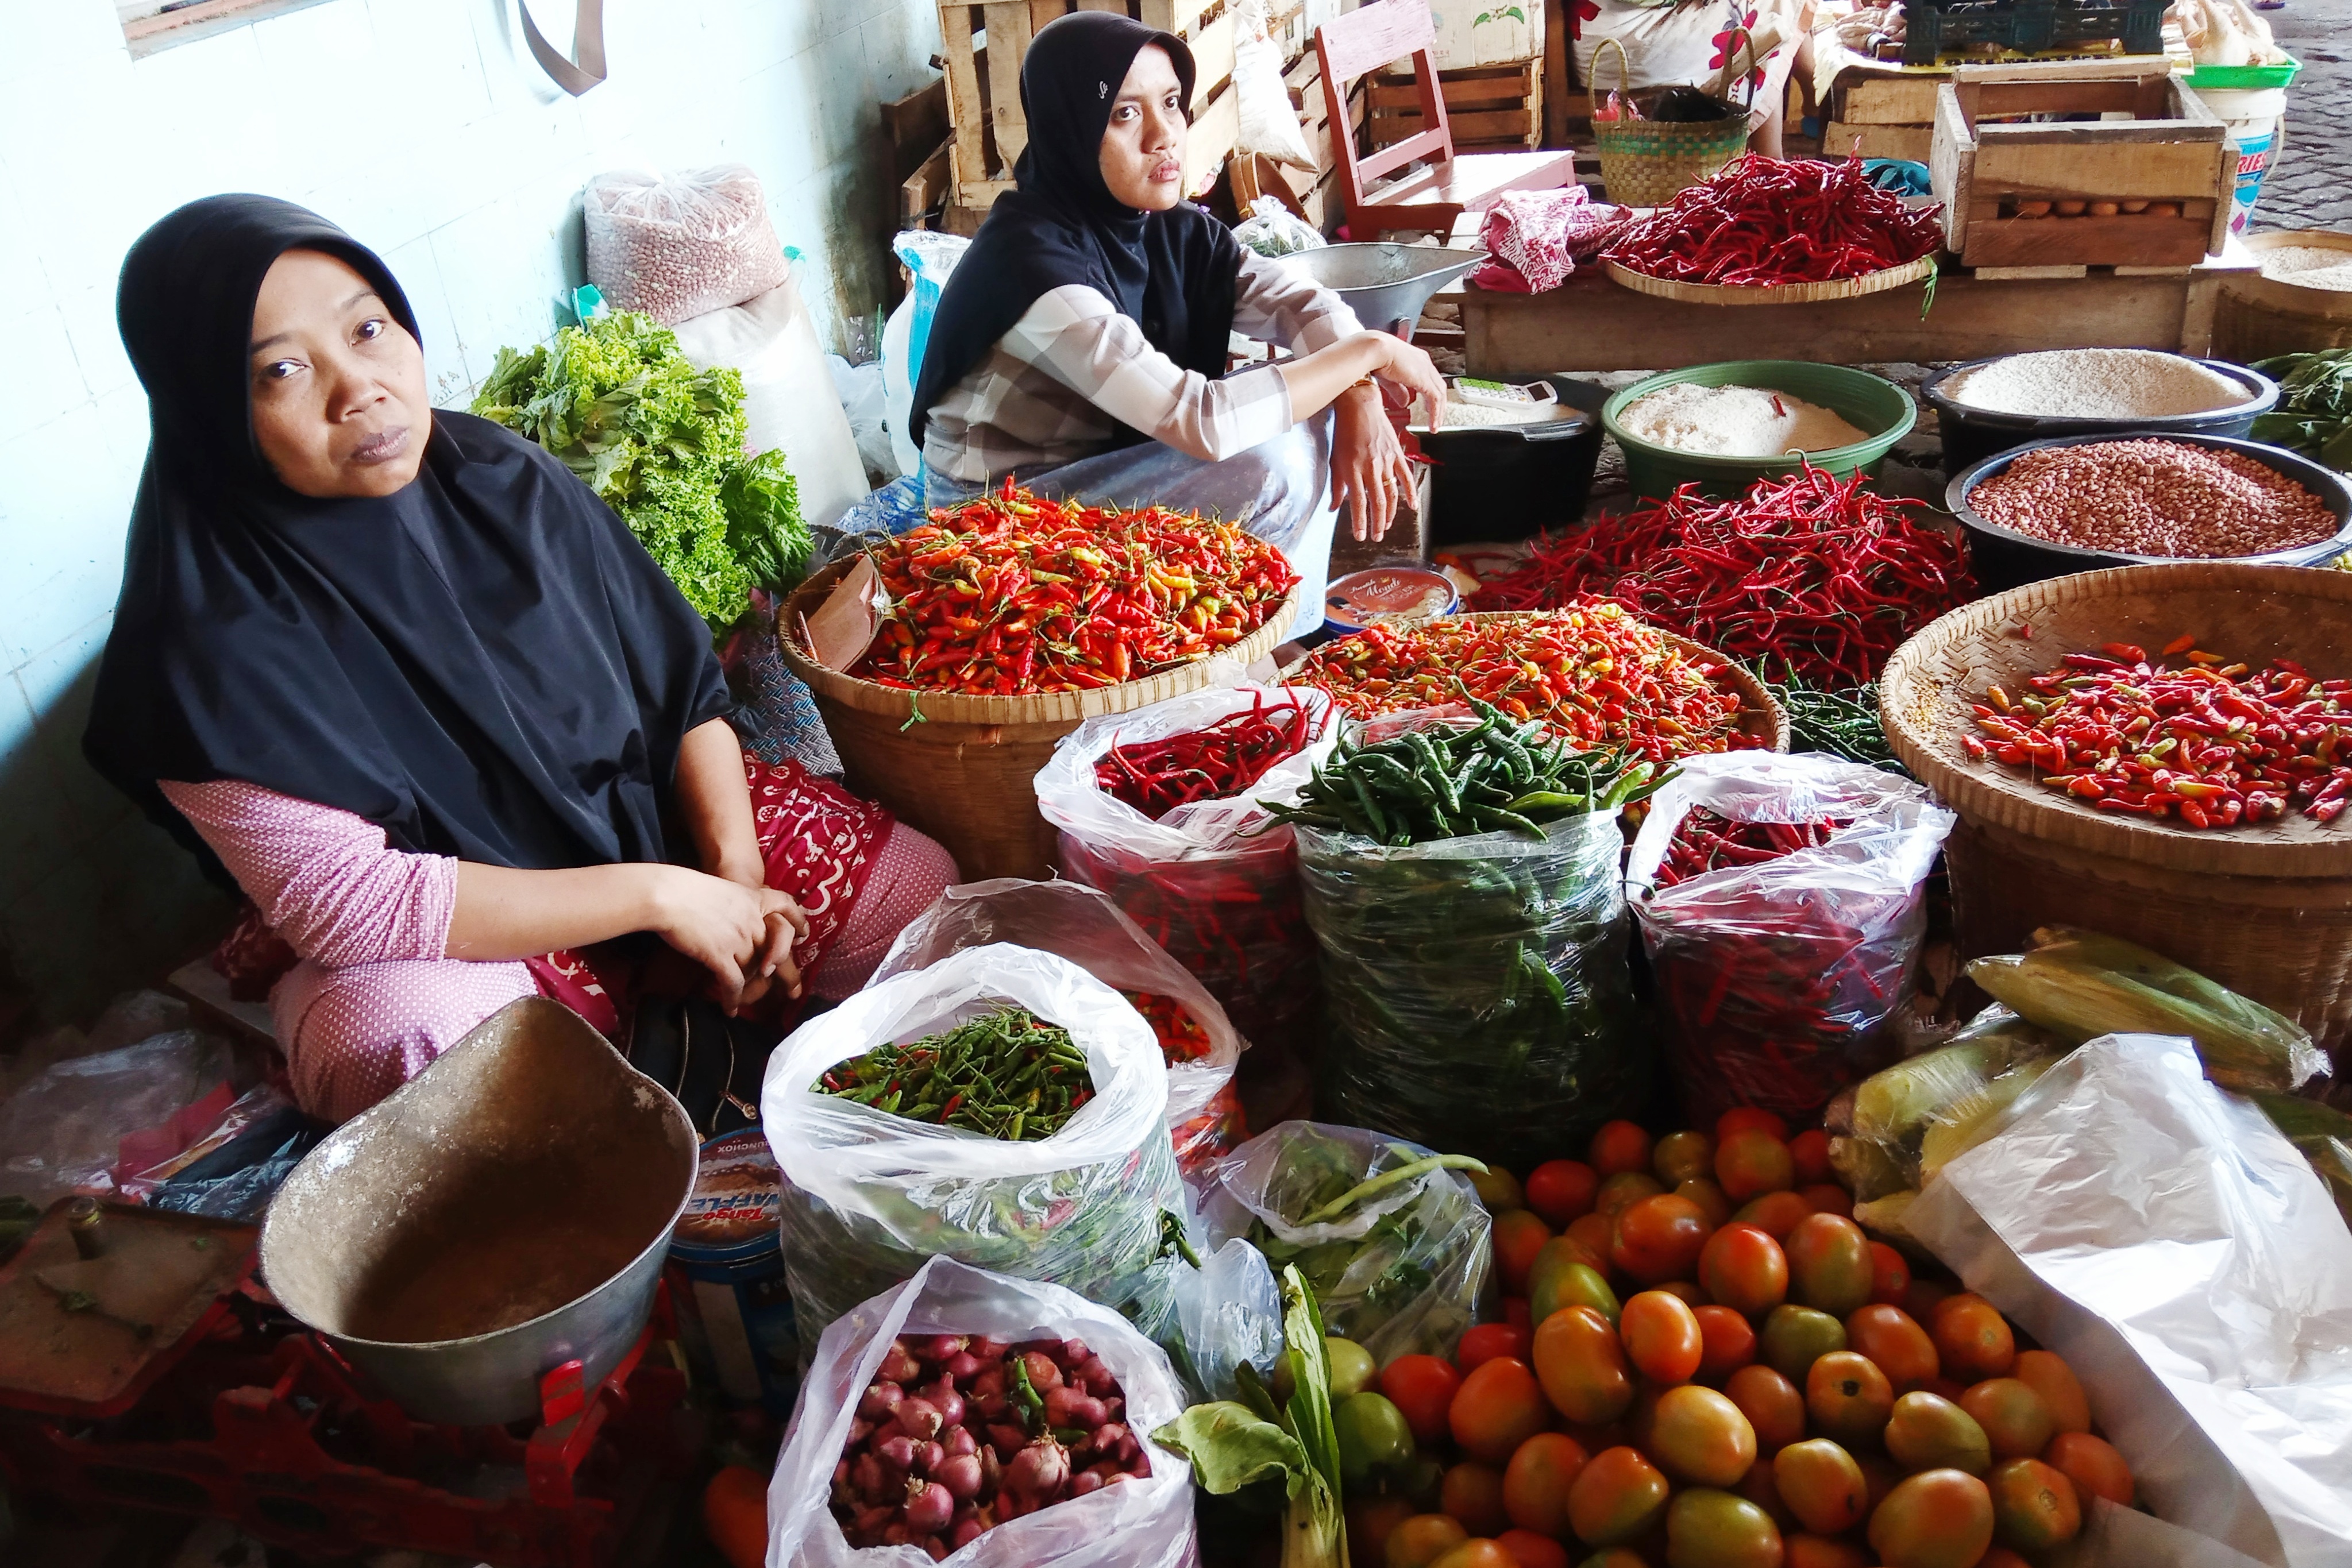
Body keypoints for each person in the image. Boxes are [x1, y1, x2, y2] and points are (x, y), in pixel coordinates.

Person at [84, 196, 957, 1124]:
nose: (360, 389)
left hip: (637, 831)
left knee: (916, 890)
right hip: (458, 930)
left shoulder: (501, 479)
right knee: (398, 1041)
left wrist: (735, 882)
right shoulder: (204, 640)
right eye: (282, 372)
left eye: (370, 330)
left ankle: (716, 1073)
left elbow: (680, 696)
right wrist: (662, 898)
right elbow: (354, 905)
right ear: (208, 408)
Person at [909, 10, 1448, 640]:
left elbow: (1297, 303)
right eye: (1124, 115)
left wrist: (1358, 391)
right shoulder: (1035, 265)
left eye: (1171, 102)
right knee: (1271, 460)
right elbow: (1201, 420)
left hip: (1096, 468)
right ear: (1070, 132)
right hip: (992, 523)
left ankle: (1274, 635)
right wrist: (1371, 351)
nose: (1164, 135)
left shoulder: (1166, 226)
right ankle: (1230, 649)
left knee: (1311, 400)